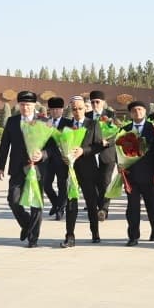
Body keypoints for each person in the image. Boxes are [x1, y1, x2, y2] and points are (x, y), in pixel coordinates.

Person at [0, 91, 47, 248]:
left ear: (34, 105)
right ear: (18, 105)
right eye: (23, 104)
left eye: (28, 105)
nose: (25, 108)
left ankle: (33, 238)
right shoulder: (12, 121)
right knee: (13, 200)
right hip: (17, 167)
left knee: (36, 203)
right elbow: (4, 145)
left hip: (37, 168)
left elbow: (53, 147)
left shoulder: (44, 121)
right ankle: (26, 224)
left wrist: (43, 155)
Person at [57, 96, 100, 247]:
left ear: (85, 109)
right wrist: (63, 156)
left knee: (91, 202)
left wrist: (84, 150)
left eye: (80, 108)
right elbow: (59, 144)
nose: (77, 112)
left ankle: (95, 232)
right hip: (70, 170)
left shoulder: (92, 124)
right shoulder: (65, 126)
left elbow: (98, 146)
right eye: (74, 109)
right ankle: (70, 236)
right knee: (71, 203)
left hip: (88, 170)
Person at [121, 100, 154, 246]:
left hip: (150, 175)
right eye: (134, 110)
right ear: (130, 113)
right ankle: (133, 236)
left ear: (145, 111)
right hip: (131, 175)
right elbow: (118, 152)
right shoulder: (124, 129)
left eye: (140, 109)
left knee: (151, 205)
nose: (137, 112)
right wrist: (121, 168)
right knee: (132, 207)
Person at [86, 90, 117, 222]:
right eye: (92, 102)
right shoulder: (86, 116)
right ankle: (99, 207)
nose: (95, 104)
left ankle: (104, 209)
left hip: (107, 154)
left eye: (97, 102)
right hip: (90, 155)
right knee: (94, 184)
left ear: (103, 103)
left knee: (105, 182)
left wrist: (107, 142)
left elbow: (117, 134)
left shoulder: (111, 115)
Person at [42, 97, 68, 220]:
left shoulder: (68, 123)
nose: (55, 111)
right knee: (46, 184)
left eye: (58, 109)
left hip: (63, 159)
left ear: (62, 110)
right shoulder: (45, 123)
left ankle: (60, 209)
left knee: (62, 184)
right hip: (47, 159)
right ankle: (56, 203)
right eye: (52, 109)